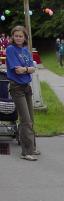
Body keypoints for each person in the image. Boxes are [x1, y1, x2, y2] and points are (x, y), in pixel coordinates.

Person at [6, 25, 37, 161]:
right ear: (13, 37)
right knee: (26, 120)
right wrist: (27, 69)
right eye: (16, 36)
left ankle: (32, 148)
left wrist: (26, 69)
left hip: (26, 87)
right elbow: (17, 70)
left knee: (31, 119)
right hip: (17, 87)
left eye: (21, 36)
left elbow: (33, 68)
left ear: (25, 37)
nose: (18, 38)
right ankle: (26, 152)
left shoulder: (25, 51)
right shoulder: (10, 49)